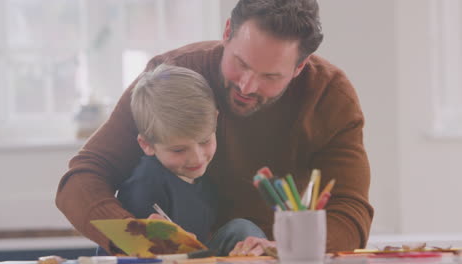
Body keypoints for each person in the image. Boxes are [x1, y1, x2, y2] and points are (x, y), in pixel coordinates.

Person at [56, 0, 373, 256]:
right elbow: (82, 178)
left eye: (270, 76)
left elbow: (351, 211)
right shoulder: (169, 77)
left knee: (243, 230)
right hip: (161, 249)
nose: (247, 86)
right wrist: (132, 234)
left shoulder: (329, 96)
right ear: (227, 33)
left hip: (249, 249)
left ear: (299, 67)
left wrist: (286, 250)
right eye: (241, 63)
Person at [95, 64, 218, 255]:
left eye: (205, 141)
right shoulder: (146, 185)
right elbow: (133, 250)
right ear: (147, 145)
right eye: (178, 150)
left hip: (193, 256)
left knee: (241, 229)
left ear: (216, 121)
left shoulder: (200, 173)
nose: (197, 157)